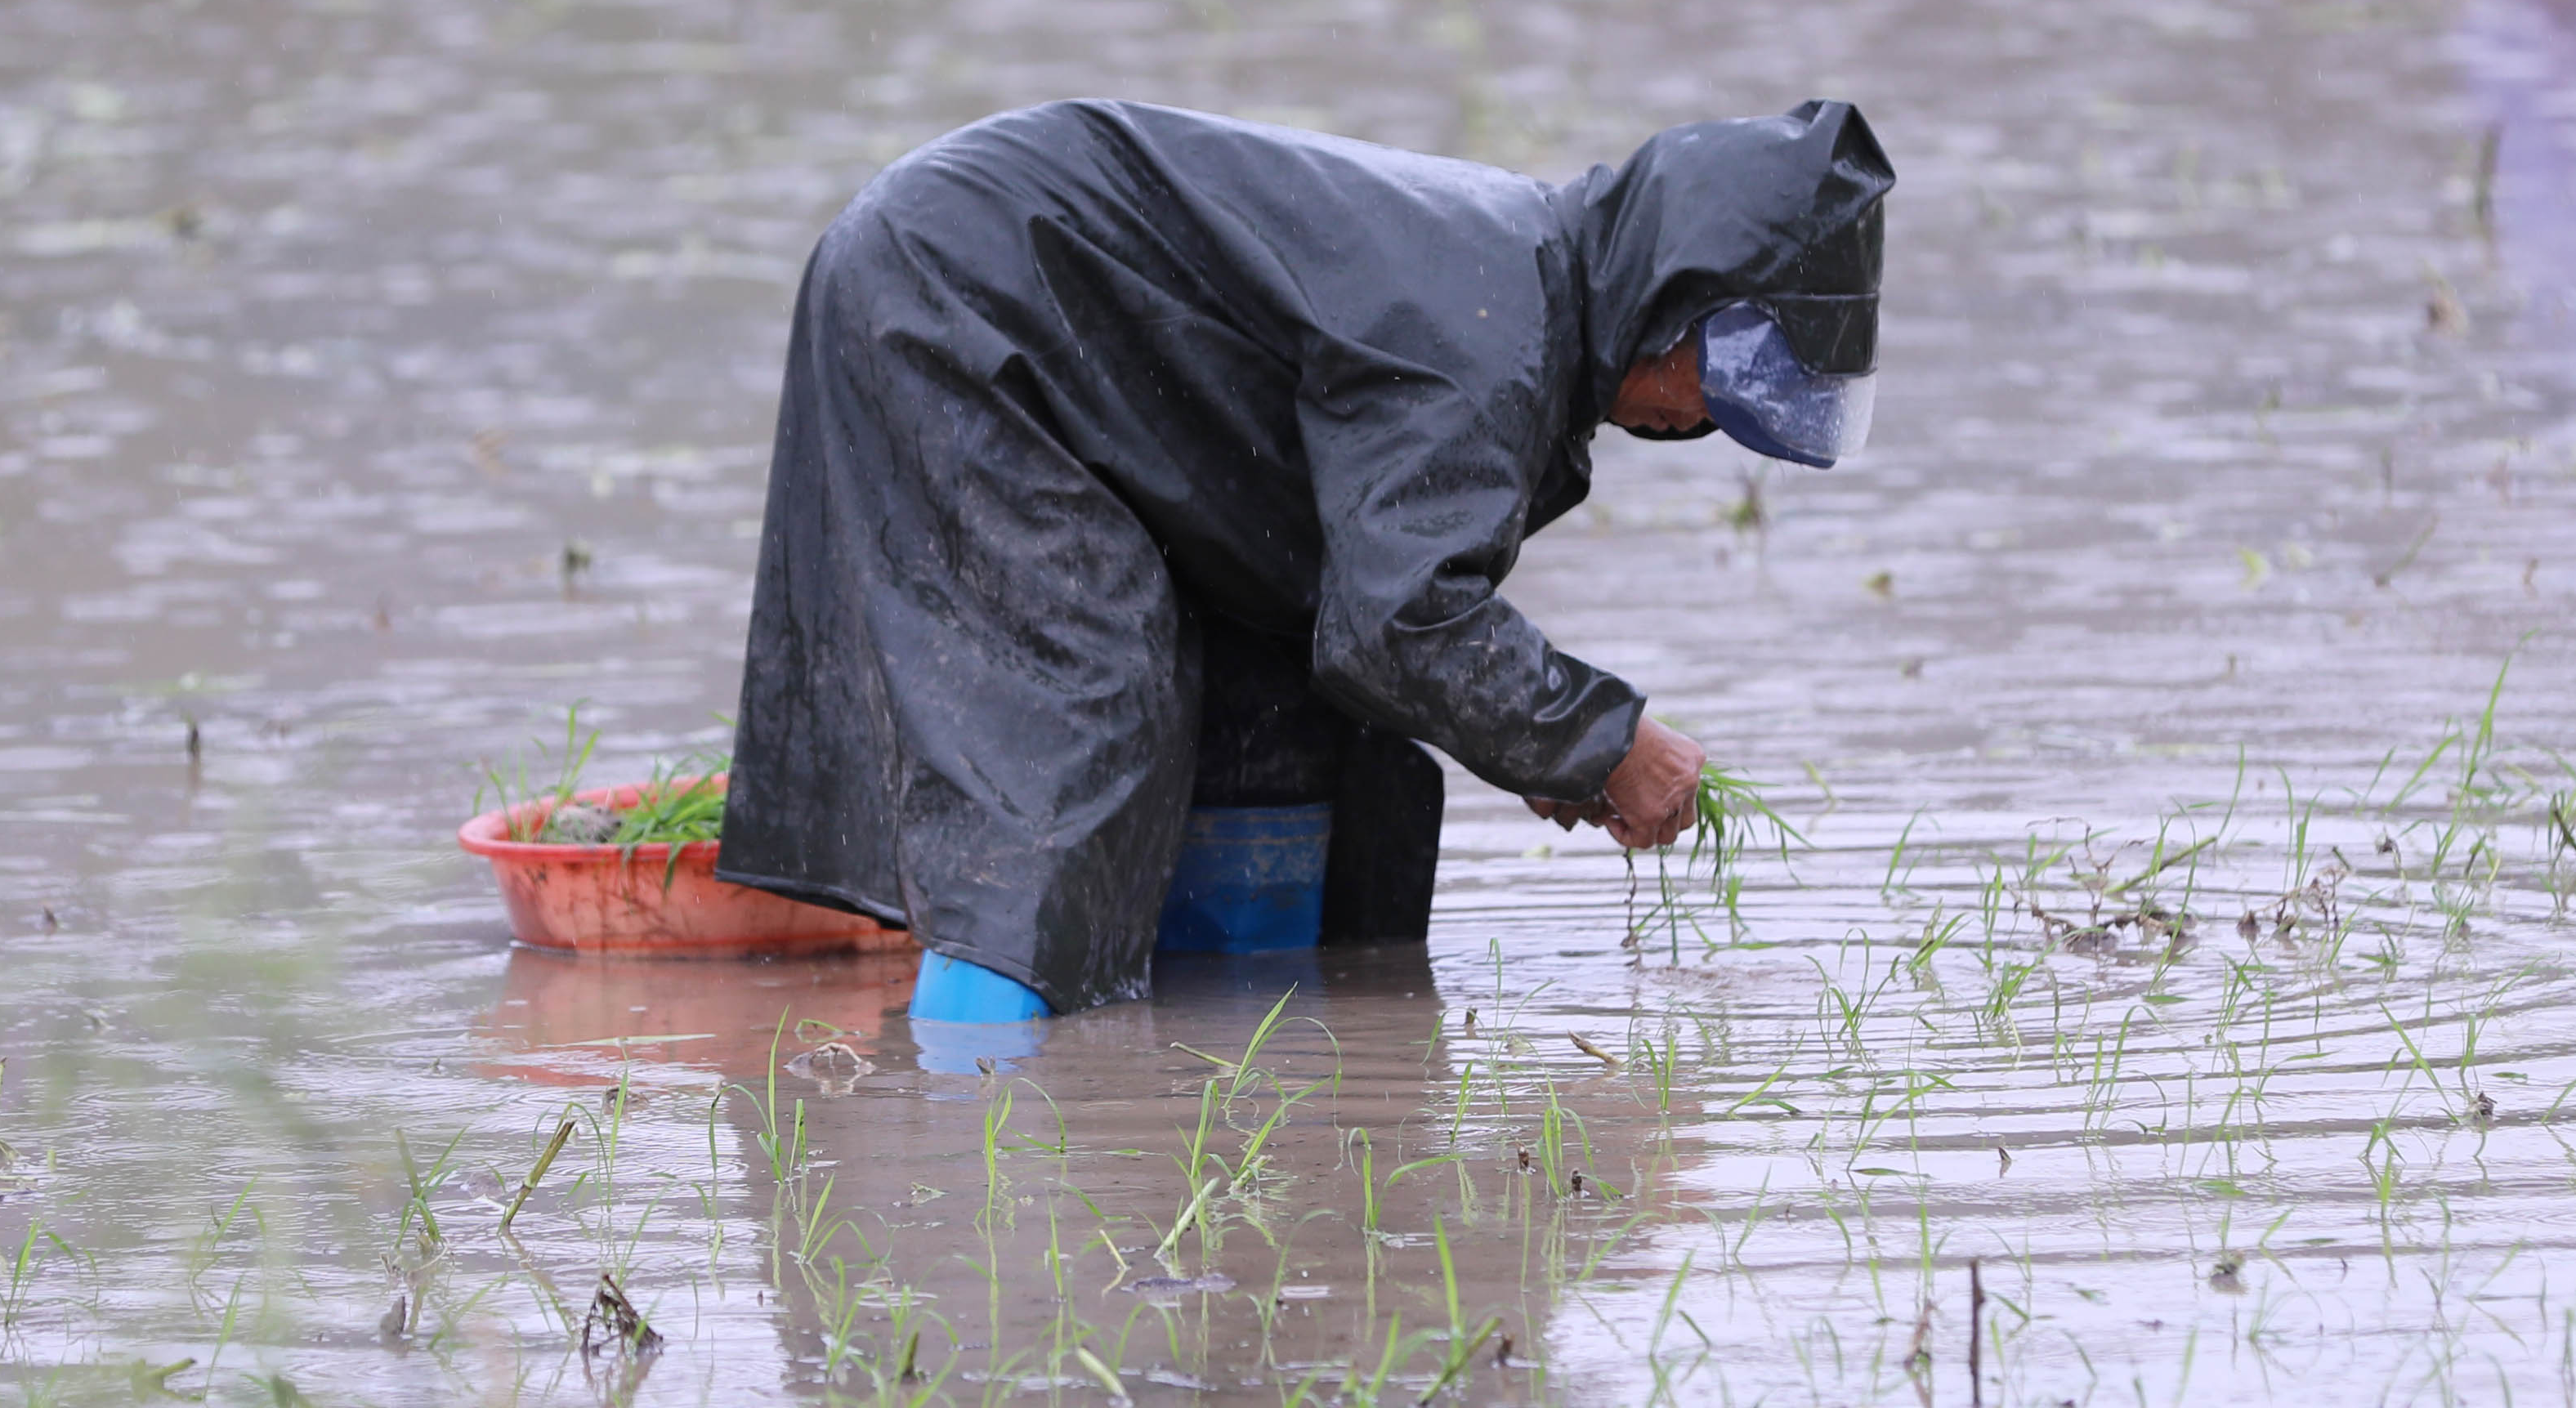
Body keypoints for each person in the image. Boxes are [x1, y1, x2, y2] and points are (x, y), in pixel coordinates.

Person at [718, 99, 1889, 1028]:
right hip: (964, 298)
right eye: (1722, 387)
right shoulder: (1491, 329)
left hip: (1099, 382)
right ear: (1668, 308)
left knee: (1285, 732)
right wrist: (1606, 740)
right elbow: (1404, 626)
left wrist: (1528, 740)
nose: (1704, 425)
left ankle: (1219, 1088)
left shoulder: (1518, 305)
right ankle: (956, 1140)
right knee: (1071, 730)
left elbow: (1355, 621)